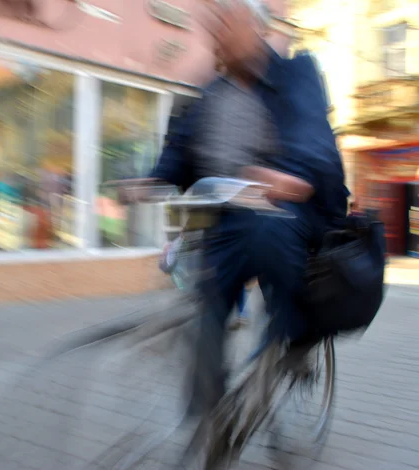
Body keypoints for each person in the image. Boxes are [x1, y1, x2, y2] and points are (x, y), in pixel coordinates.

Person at [123, 0, 349, 410]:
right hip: (225, 219)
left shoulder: (294, 73)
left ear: (256, 28)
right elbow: (182, 148)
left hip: (286, 212)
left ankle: (291, 339)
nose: (218, 33)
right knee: (208, 302)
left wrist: (293, 175)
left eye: (229, 23)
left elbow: (312, 133)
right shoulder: (211, 93)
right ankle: (206, 418)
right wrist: (153, 179)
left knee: (271, 237)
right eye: (214, 26)